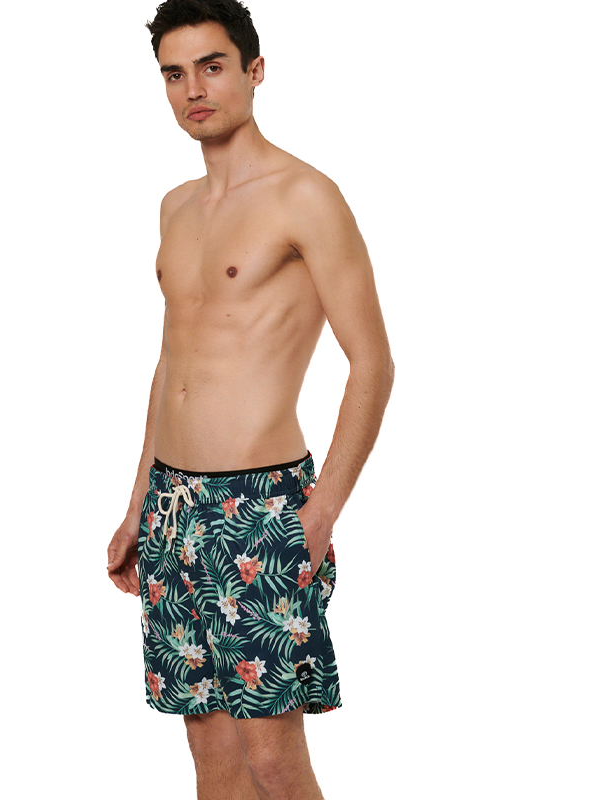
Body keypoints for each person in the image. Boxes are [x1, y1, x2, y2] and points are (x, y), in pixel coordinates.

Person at [105, 1, 394, 797]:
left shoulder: (305, 196)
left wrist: (322, 511)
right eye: (174, 74)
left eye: (212, 66)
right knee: (215, 761)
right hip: (173, 507)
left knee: (272, 759)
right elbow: (173, 362)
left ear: (254, 70)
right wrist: (138, 505)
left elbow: (372, 362)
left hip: (261, 506)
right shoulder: (175, 207)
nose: (193, 89)